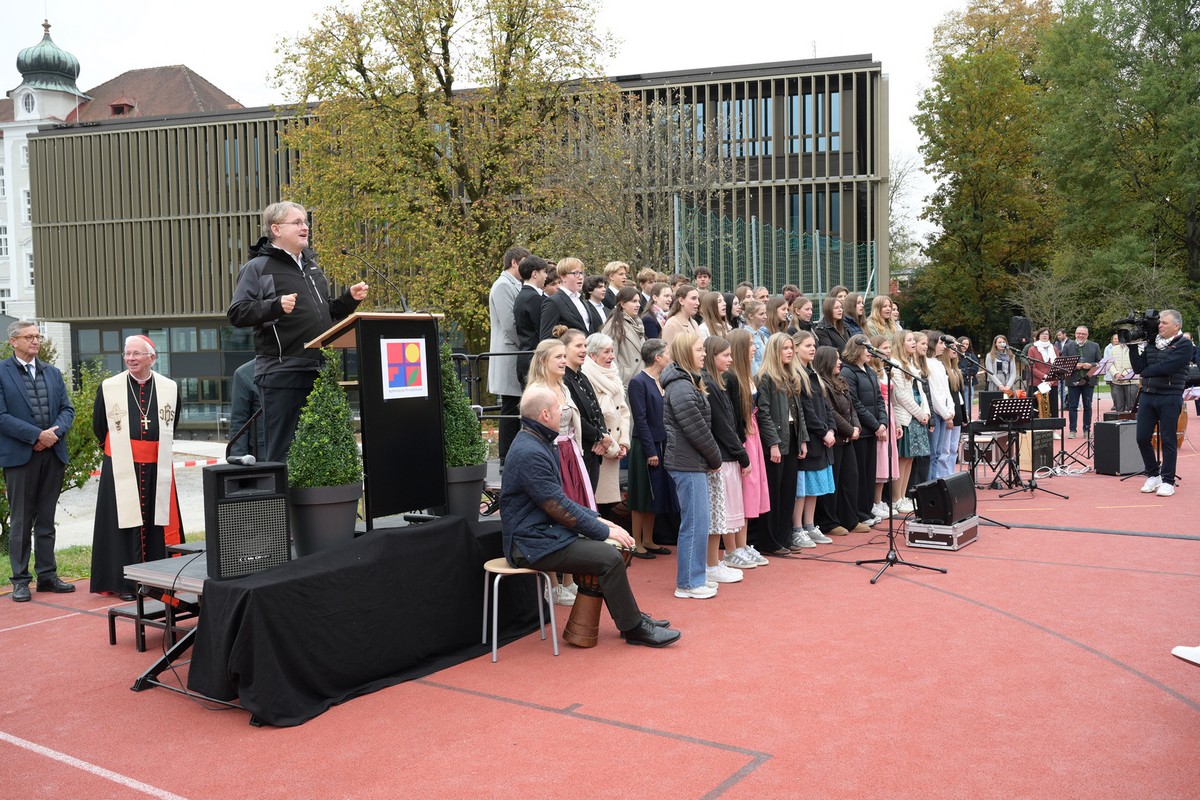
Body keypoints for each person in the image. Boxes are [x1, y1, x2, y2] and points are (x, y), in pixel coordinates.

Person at [501, 387, 679, 647]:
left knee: (611, 550)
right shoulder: (530, 451)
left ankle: (632, 619)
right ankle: (634, 628)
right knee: (609, 556)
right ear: (545, 414)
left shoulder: (536, 441)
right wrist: (603, 530)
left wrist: (598, 520)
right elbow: (558, 507)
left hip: (542, 534)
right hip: (529, 544)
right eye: (559, 408)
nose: (563, 412)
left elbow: (559, 502)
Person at [227, 201, 368, 464]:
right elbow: (237, 313)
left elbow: (326, 315)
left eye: (305, 222)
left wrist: (348, 300)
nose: (305, 227)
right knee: (284, 452)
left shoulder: (313, 269)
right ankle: (282, 494)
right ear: (276, 229)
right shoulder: (258, 268)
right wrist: (275, 305)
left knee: (322, 454)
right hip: (282, 372)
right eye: (297, 222)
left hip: (319, 370)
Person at [90, 336, 183, 600]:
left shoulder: (169, 387)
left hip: (156, 466)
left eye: (136, 354)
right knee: (121, 524)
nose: (130, 358)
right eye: (127, 354)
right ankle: (123, 583)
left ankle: (158, 579)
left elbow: (173, 422)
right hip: (121, 464)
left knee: (156, 521)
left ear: (152, 358)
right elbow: (100, 425)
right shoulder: (109, 387)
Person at [1, 321, 75, 602]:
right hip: (20, 457)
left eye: (37, 336)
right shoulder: (2, 373)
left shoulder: (52, 372)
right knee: (21, 521)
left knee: (46, 520)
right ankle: (20, 581)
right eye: (29, 336)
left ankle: (47, 576)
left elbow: (67, 409)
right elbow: (1, 416)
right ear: (13, 341)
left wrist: (52, 435)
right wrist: (36, 435)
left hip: (52, 454)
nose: (35, 341)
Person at [662, 332, 723, 599]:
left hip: (691, 461)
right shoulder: (681, 386)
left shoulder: (686, 382)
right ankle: (688, 583)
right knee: (695, 523)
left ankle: (694, 577)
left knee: (698, 522)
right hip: (687, 463)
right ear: (687, 353)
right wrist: (715, 458)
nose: (704, 354)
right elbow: (696, 429)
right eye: (699, 350)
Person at [701, 336, 750, 584]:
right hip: (720, 457)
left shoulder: (719, 382)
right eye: (725, 355)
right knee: (718, 513)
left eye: (731, 354)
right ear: (712, 356)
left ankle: (714, 561)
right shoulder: (709, 385)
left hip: (726, 454)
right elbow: (722, 427)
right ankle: (711, 563)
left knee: (721, 513)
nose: (730, 360)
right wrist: (742, 455)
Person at [1129, 309, 1194, 497]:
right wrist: (1132, 346)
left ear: (1176, 325)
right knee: (1142, 438)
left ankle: (1168, 481)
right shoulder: (1152, 342)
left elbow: (1167, 368)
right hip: (1148, 395)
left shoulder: (1184, 344)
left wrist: (1146, 372)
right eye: (1159, 322)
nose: (1160, 325)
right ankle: (1153, 474)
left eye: (1164, 323)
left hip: (1170, 396)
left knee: (1168, 440)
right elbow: (1138, 367)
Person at [756, 332, 809, 553]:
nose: (789, 352)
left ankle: (784, 537)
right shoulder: (765, 377)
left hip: (791, 437)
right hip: (777, 440)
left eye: (791, 348)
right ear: (774, 351)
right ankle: (769, 541)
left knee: (788, 491)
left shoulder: (791, 375)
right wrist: (773, 443)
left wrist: (803, 439)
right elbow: (763, 413)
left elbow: (799, 412)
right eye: (785, 348)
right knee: (774, 493)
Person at [626, 339, 677, 558]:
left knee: (655, 494)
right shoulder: (638, 382)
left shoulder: (662, 380)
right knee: (641, 495)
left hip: (663, 444)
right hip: (646, 446)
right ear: (657, 357)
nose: (670, 357)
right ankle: (636, 542)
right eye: (667, 354)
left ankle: (648, 539)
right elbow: (640, 419)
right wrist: (650, 451)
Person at [725, 329, 771, 568]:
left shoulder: (747, 376)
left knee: (751, 491)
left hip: (753, 435)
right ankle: (732, 549)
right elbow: (733, 417)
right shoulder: (731, 378)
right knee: (740, 492)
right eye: (751, 344)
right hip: (743, 438)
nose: (755, 348)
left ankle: (742, 545)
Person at [813, 345, 868, 537]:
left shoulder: (840, 380)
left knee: (850, 478)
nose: (840, 362)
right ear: (826, 361)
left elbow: (851, 408)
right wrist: (849, 429)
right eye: (836, 359)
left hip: (847, 439)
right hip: (835, 439)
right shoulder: (821, 383)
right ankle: (829, 522)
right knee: (833, 481)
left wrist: (856, 427)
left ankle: (850, 518)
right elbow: (831, 412)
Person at [793, 331, 837, 542]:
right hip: (810, 439)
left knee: (814, 488)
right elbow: (806, 411)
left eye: (813, 345)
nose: (812, 349)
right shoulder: (797, 375)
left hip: (822, 438)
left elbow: (826, 406)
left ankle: (810, 525)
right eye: (807, 345)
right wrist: (822, 431)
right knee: (802, 489)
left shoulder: (814, 375)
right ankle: (797, 528)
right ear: (796, 348)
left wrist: (831, 429)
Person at [487, 246, 530, 462]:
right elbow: (509, 323)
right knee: (510, 406)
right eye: (524, 262)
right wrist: (526, 344)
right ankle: (506, 457)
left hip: (514, 351)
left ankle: (512, 455)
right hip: (509, 352)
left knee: (515, 405)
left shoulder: (514, 285)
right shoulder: (503, 285)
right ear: (514, 262)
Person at [581, 333, 630, 517]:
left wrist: (623, 443)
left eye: (612, 351)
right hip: (600, 449)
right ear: (593, 355)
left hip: (614, 449)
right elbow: (593, 417)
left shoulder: (614, 376)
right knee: (595, 502)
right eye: (606, 352)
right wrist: (611, 447)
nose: (612, 356)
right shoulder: (585, 377)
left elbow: (623, 411)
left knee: (608, 503)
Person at [561, 328, 611, 491]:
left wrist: (604, 435)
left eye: (584, 346)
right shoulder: (563, 380)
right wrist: (599, 437)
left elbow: (596, 410)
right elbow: (574, 416)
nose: (584, 350)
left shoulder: (582, 377)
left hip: (594, 450)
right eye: (578, 346)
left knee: (590, 498)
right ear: (565, 349)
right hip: (578, 449)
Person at [843, 335, 886, 526]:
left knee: (870, 473)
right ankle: (860, 512)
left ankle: (868, 509)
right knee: (860, 473)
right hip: (862, 430)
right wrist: (876, 425)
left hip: (874, 430)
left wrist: (883, 422)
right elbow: (855, 404)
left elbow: (879, 399)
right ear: (856, 349)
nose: (870, 351)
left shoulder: (869, 371)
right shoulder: (848, 372)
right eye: (865, 348)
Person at [890, 329, 929, 513]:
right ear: (901, 343)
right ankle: (896, 498)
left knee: (910, 458)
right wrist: (920, 414)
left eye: (914, 340)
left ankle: (903, 495)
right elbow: (902, 396)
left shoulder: (912, 364)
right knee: (902, 458)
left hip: (917, 415)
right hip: (906, 416)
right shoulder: (896, 365)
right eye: (910, 340)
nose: (913, 343)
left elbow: (921, 391)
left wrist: (926, 411)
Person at [868, 335, 902, 518]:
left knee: (888, 460)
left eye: (889, 348)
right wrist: (880, 424)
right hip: (880, 417)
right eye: (884, 348)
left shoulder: (887, 370)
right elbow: (875, 401)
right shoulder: (872, 372)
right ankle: (874, 501)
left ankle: (880, 500)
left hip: (890, 415)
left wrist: (896, 423)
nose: (888, 351)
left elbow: (893, 401)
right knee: (880, 461)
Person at [539, 258, 602, 339]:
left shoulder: (582, 301)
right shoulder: (553, 302)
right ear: (563, 277)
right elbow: (546, 338)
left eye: (582, 273)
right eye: (576, 273)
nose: (581, 277)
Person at [924, 332, 957, 481]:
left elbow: (945, 390)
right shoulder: (927, 363)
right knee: (933, 453)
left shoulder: (938, 363)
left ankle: (934, 482)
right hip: (936, 413)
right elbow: (933, 392)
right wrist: (944, 412)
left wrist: (951, 409)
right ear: (933, 344)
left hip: (943, 413)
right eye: (941, 343)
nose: (944, 346)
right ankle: (930, 484)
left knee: (938, 452)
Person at [513, 255, 549, 387]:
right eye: (544, 272)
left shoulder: (521, 296)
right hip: (534, 359)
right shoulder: (534, 298)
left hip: (525, 356)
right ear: (535, 274)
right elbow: (542, 328)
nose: (546, 276)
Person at [1061, 325, 1102, 439]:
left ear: (1087, 335)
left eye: (1083, 334)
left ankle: (1087, 430)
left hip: (1088, 380)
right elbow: (1063, 363)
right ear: (1075, 334)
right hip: (1073, 380)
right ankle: (1072, 430)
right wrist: (1074, 366)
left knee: (1088, 406)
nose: (1081, 335)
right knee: (1073, 406)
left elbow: (1100, 362)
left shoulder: (1095, 346)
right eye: (1079, 333)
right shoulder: (1068, 346)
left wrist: (1091, 365)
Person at [601, 286, 647, 385]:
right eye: (634, 301)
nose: (638, 305)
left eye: (638, 301)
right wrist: (619, 380)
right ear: (623, 304)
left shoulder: (638, 323)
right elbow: (609, 357)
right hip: (626, 381)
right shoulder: (614, 326)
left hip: (640, 377)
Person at [229, 360, 267, 459]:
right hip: (261, 457)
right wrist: (239, 461)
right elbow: (239, 421)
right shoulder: (244, 374)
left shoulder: (300, 367)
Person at [1027, 327, 1060, 418]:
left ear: (1049, 336)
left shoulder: (1054, 349)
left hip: (1052, 383)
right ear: (1038, 336)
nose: (1044, 336)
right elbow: (1032, 367)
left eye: (1046, 334)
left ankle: (1052, 426)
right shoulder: (1032, 349)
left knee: (1052, 409)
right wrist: (1045, 377)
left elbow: (1057, 366)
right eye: (1042, 334)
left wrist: (1051, 379)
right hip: (1037, 383)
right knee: (1036, 410)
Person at [1106, 333, 1137, 415]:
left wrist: (1124, 374)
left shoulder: (1135, 348)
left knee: (1132, 408)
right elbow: (1110, 364)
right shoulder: (1114, 349)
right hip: (1117, 382)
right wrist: (1116, 374)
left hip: (1131, 382)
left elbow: (1137, 364)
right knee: (1119, 408)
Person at [744, 299, 769, 375]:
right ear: (751, 316)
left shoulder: (762, 334)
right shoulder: (746, 335)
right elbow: (751, 363)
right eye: (761, 314)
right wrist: (760, 378)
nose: (765, 317)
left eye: (765, 313)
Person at [957, 337, 979, 420]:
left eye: (967, 344)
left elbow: (975, 367)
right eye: (963, 344)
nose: (965, 346)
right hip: (959, 383)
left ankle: (969, 417)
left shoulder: (970, 355)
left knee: (969, 400)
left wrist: (965, 371)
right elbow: (957, 369)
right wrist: (966, 372)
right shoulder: (955, 354)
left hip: (969, 383)